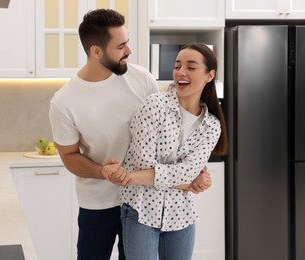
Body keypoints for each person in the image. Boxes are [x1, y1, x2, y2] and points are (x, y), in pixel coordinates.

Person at [49, 9, 212, 260]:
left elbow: (170, 127)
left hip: (142, 201)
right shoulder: (64, 101)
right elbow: (69, 156)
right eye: (121, 46)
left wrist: (194, 169)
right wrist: (102, 171)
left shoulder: (141, 78)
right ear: (96, 51)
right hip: (98, 203)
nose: (129, 51)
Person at [103, 42, 228, 260]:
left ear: (209, 75)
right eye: (177, 65)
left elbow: (188, 170)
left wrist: (133, 177)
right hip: (141, 209)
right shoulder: (154, 105)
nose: (181, 72)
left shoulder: (211, 125)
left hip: (181, 214)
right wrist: (188, 183)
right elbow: (144, 162)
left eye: (191, 67)